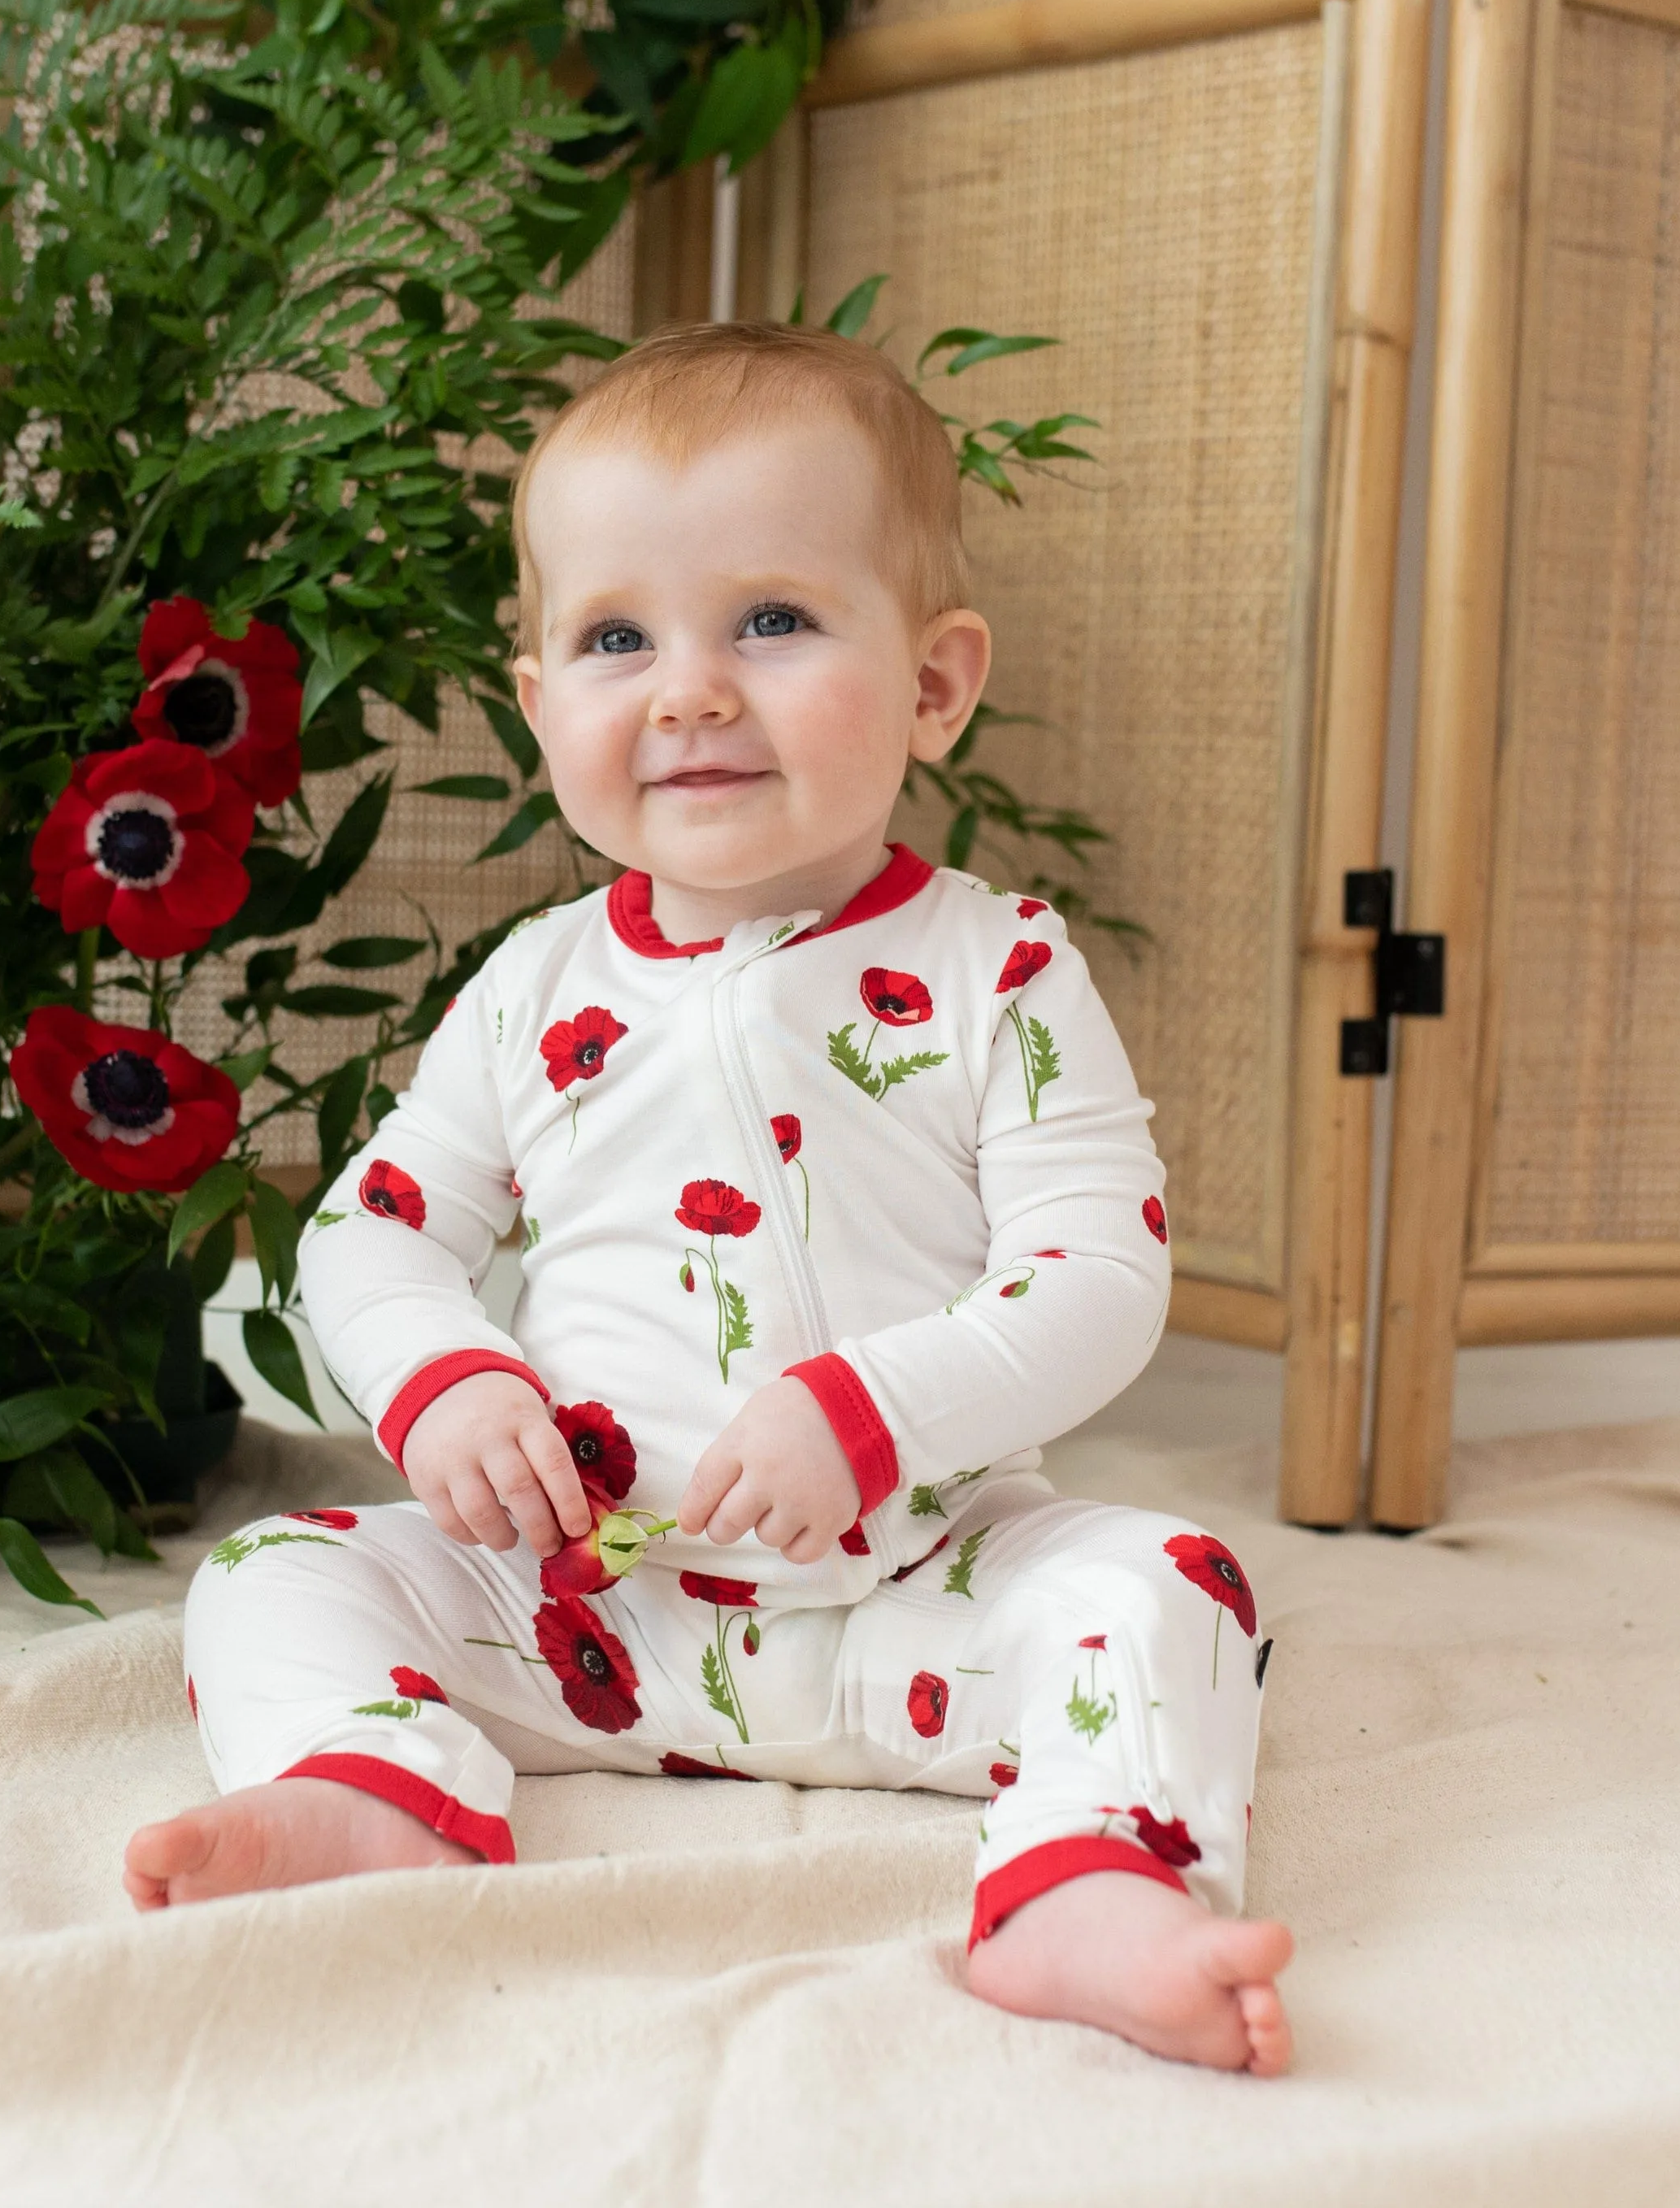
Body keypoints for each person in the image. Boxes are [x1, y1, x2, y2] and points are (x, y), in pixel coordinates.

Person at [124, 323, 1293, 2074]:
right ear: (540, 707)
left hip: (916, 1600)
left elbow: (1100, 1278)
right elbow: (375, 1233)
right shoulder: (533, 983)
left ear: (935, 681)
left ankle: (1085, 1884)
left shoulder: (999, 968)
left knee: (1172, 1587)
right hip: (586, 1609)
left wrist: (877, 1410)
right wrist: (446, 1381)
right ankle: (375, 1790)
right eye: (615, 638)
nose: (687, 689)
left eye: (772, 619)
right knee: (277, 1572)